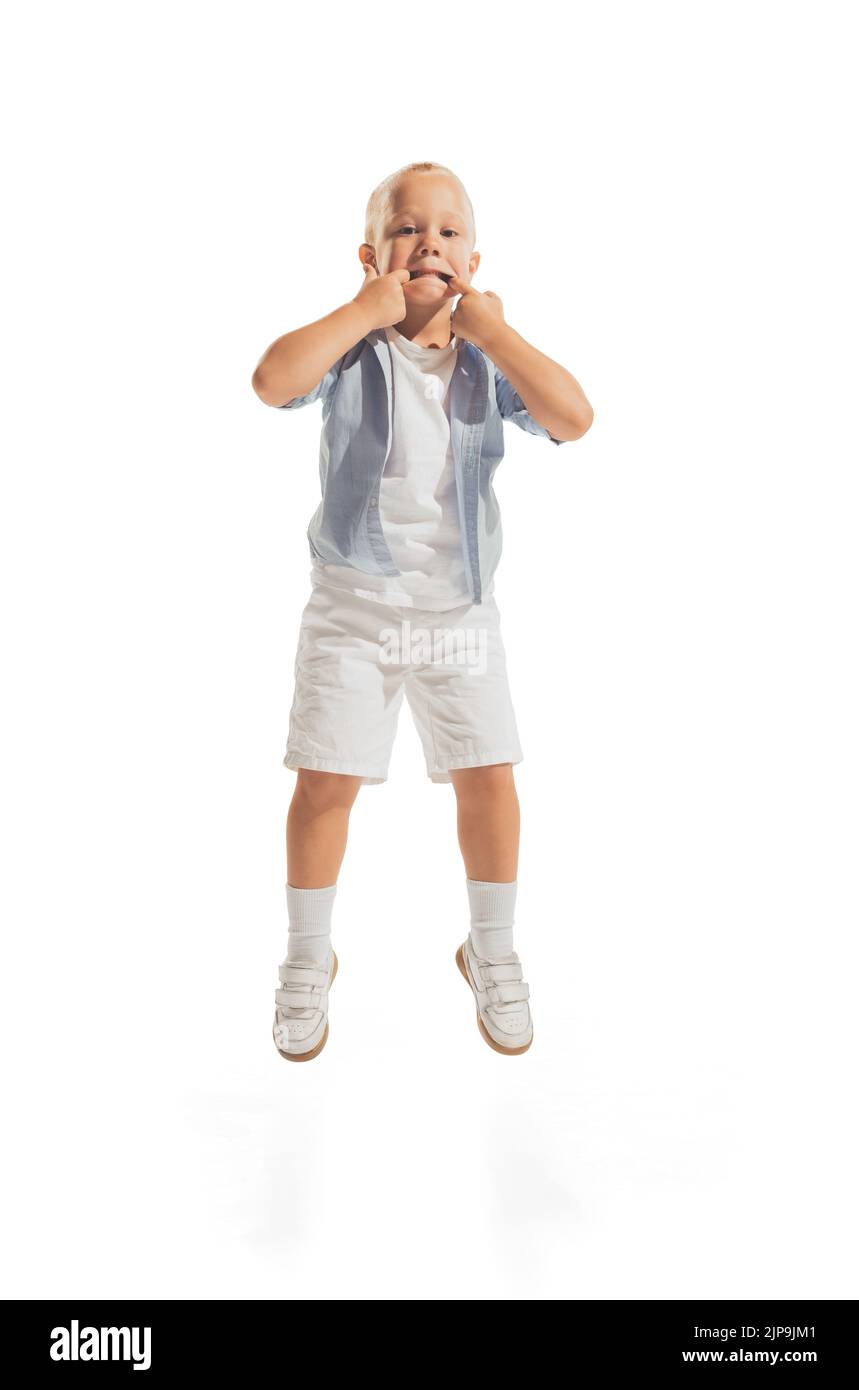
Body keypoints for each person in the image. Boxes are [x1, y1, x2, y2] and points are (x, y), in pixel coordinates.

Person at [251, 161, 593, 1062]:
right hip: (353, 607)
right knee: (325, 781)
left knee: (488, 772)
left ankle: (491, 946)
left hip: (457, 612)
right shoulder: (354, 347)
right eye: (407, 228)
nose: (428, 242)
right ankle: (305, 956)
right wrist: (360, 312)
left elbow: (574, 418)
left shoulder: (486, 356)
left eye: (447, 231)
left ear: (474, 260)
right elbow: (271, 380)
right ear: (372, 255)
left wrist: (501, 334)